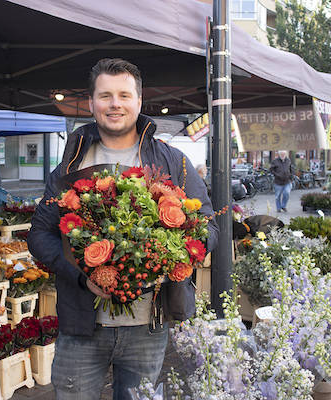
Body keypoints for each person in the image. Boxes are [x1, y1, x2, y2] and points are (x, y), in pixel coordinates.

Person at [27, 58, 218, 400]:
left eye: (124, 95)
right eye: (105, 95)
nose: (115, 104)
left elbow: (207, 225)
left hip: (148, 327)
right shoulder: (71, 164)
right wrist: (81, 275)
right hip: (80, 328)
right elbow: (39, 235)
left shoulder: (172, 162)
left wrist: (171, 257)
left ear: (139, 101)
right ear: (91, 103)